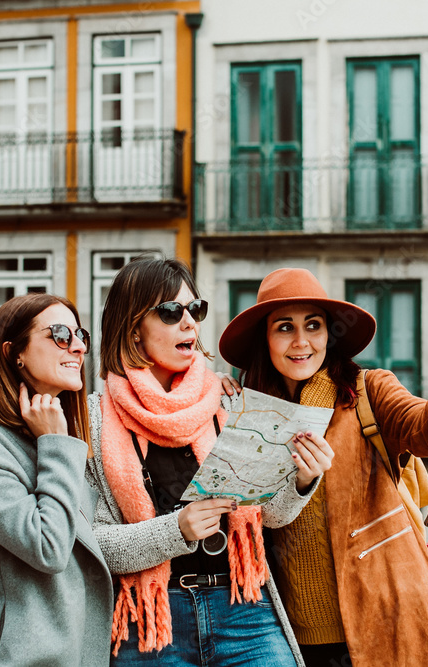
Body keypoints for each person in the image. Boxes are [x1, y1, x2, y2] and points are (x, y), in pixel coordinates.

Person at [218, 268, 428, 667]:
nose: (301, 341)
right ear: (266, 338)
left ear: (329, 335)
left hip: (382, 618)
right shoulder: (247, 410)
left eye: (313, 325)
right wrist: (211, 390)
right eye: (284, 327)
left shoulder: (370, 391)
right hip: (281, 638)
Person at [86, 255, 331, 666]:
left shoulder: (227, 401)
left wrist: (301, 481)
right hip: (150, 621)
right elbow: (90, 544)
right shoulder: (93, 420)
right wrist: (175, 530)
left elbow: (268, 515)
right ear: (132, 331)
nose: (189, 323)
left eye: (194, 309)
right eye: (170, 312)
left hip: (243, 606)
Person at [0, 293, 113, 666]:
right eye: (60, 334)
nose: (79, 346)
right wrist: (56, 444)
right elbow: (48, 548)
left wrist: (220, 389)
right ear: (14, 352)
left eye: (80, 334)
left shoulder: (54, 440)